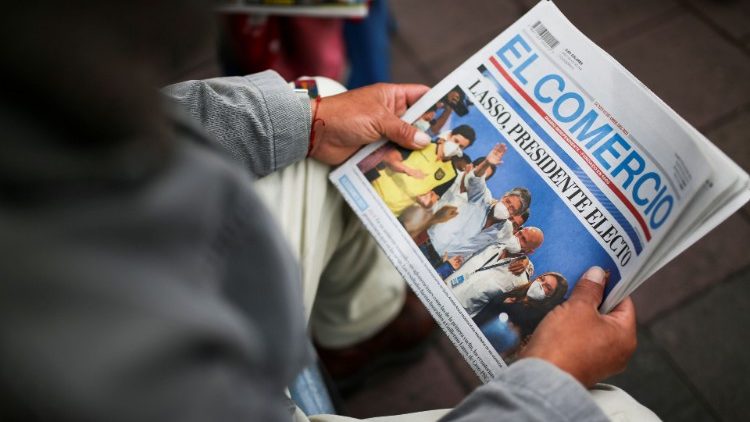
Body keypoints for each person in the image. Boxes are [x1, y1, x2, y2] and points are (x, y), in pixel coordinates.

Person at [0, 2, 660, 421]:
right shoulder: (64, 362)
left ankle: (356, 335)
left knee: (322, 104)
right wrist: (549, 385)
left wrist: (310, 120)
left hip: (162, 281)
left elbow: (159, 121)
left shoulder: (38, 102)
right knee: (620, 416)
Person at [370, 124, 476, 216]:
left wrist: (427, 203)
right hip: (373, 192)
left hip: (392, 212)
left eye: (461, 146)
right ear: (449, 136)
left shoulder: (452, 174)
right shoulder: (424, 144)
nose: (455, 146)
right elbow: (389, 158)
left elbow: (433, 198)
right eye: (455, 141)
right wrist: (408, 170)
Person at [442, 227, 544, 316]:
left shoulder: (519, 280)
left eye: (523, 240)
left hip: (457, 313)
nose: (517, 238)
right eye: (520, 233)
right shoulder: (493, 242)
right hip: (442, 288)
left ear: (530, 251)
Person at [474, 272, 569, 340]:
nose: (540, 284)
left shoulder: (535, 316)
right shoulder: (516, 291)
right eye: (541, 279)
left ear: (552, 297)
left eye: (547, 287)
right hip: (474, 326)